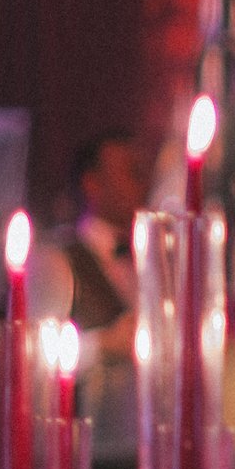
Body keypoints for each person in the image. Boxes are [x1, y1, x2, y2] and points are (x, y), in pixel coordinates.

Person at [62, 132, 143, 335]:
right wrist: (103, 344)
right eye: (129, 172)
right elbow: (43, 347)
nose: (140, 183)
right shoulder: (60, 259)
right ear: (92, 184)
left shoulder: (153, 254)